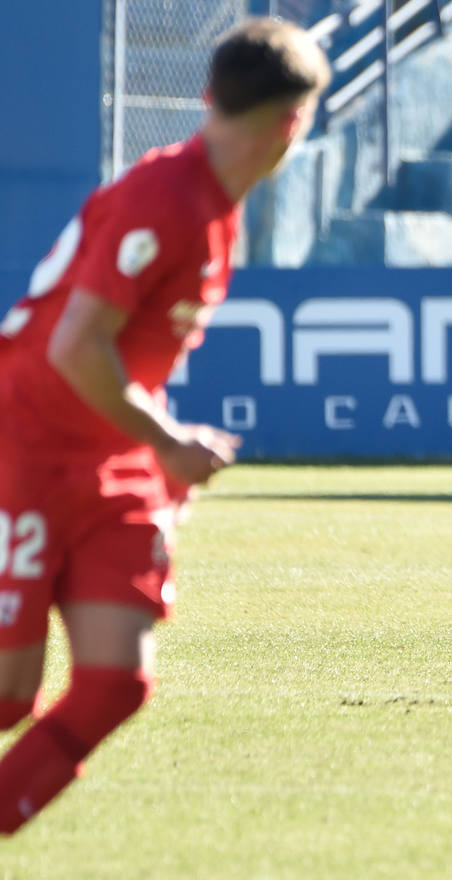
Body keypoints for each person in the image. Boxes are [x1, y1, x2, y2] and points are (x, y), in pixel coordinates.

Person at [0, 18, 331, 834]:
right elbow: (79, 348)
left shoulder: (215, 208)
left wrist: (157, 453)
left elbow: (121, 359)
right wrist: (168, 441)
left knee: (116, 681)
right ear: (294, 123)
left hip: (110, 464)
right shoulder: (167, 197)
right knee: (8, 696)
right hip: (29, 448)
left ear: (208, 95)